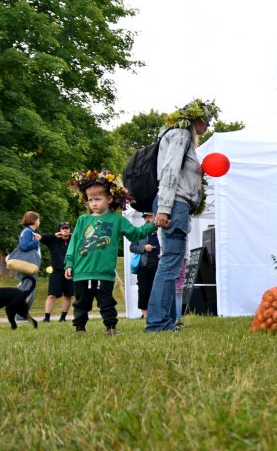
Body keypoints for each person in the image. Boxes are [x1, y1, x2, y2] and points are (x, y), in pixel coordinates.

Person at [146, 98, 219, 333]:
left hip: (177, 206)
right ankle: (158, 323)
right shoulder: (180, 135)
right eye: (205, 119)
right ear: (194, 118)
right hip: (174, 204)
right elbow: (169, 171)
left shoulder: (181, 138)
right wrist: (165, 208)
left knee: (171, 265)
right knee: (169, 265)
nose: (208, 124)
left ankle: (165, 322)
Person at [64, 169, 157, 335]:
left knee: (106, 301)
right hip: (82, 271)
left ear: (109, 198)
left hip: (104, 272)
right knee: (81, 303)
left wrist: (153, 224)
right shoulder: (83, 220)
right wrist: (69, 263)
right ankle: (79, 328)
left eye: (97, 199)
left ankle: (111, 327)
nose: (93, 203)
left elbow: (135, 234)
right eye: (90, 199)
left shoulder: (117, 220)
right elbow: (74, 242)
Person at [39, 221, 74, 322]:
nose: (65, 230)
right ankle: (47, 318)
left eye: (67, 228)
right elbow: (41, 237)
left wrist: (74, 235)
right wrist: (54, 235)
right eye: (63, 228)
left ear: (70, 230)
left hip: (70, 271)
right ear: (59, 230)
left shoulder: (74, 240)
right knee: (51, 295)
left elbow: (84, 238)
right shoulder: (53, 241)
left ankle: (62, 318)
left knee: (68, 295)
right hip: (56, 272)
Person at [129, 213, 160, 319]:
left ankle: (157, 313)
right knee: (143, 290)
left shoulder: (161, 232)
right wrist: (144, 248)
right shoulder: (140, 232)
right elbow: (132, 247)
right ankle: (145, 314)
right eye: (145, 217)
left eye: (150, 217)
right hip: (144, 265)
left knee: (157, 290)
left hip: (159, 266)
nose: (147, 219)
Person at [14, 211, 42, 319]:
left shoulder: (30, 232)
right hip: (27, 267)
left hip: (29, 267)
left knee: (27, 290)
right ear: (34, 220)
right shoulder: (28, 232)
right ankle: (20, 317)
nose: (39, 221)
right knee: (27, 292)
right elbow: (24, 246)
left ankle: (21, 316)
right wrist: (36, 241)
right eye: (38, 219)